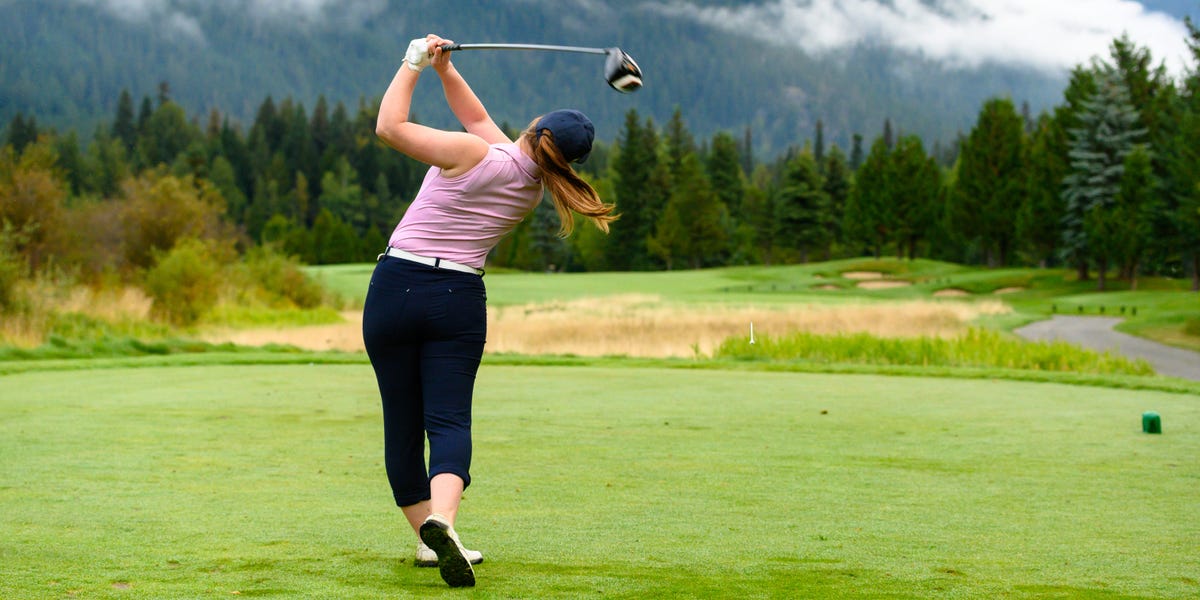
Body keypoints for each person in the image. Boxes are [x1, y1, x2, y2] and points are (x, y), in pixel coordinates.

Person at [362, 34, 617, 588]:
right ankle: (442, 525)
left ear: (535, 127)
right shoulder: (528, 183)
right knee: (449, 420)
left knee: (402, 426)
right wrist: (446, 71)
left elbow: (389, 127)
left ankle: (427, 537)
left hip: (397, 287)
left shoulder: (477, 154)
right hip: (458, 300)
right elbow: (478, 118)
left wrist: (411, 63)